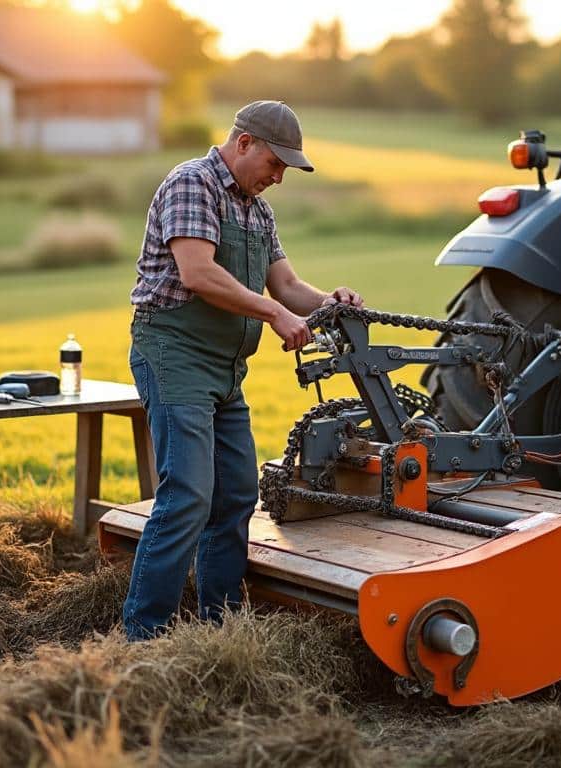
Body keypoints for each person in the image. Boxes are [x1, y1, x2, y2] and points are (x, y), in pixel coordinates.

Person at [124, 100, 363, 640]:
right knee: (187, 493)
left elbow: (287, 287)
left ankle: (220, 628)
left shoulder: (257, 209)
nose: (279, 177)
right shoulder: (194, 183)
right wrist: (276, 315)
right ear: (245, 143)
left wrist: (332, 302)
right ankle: (143, 636)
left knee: (235, 494)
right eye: (277, 163)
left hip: (226, 368)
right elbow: (198, 273)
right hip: (175, 353)